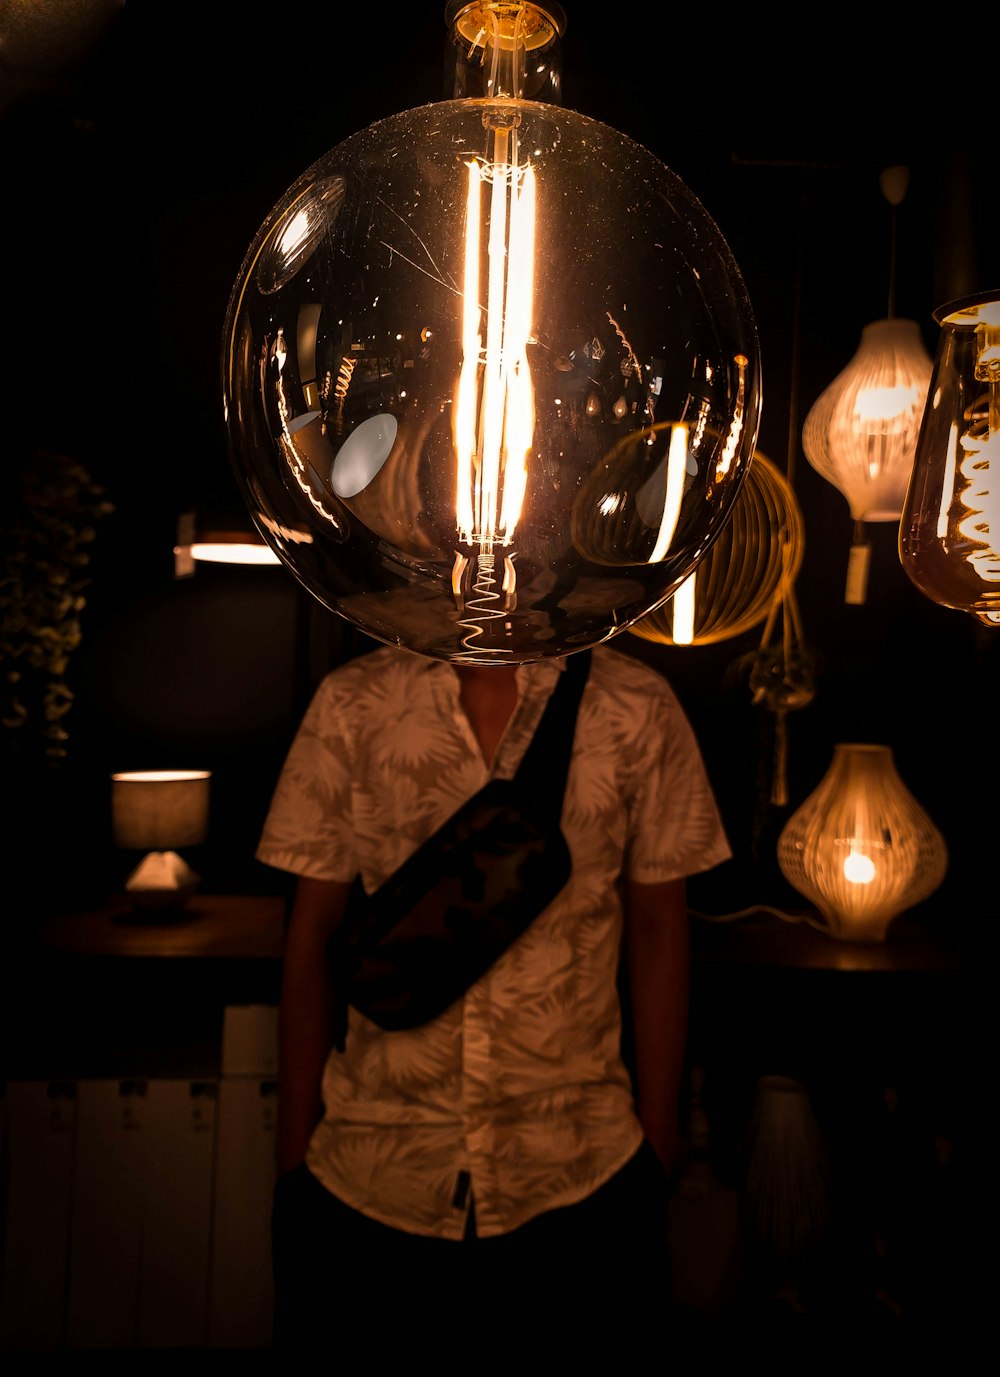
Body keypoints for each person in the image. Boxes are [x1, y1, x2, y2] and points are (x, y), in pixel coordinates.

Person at [257, 641, 730, 1354]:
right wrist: (293, 1165)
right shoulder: (354, 700)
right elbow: (311, 935)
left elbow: (660, 931)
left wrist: (654, 1156)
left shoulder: (636, 704)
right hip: (371, 1168)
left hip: (581, 1171)